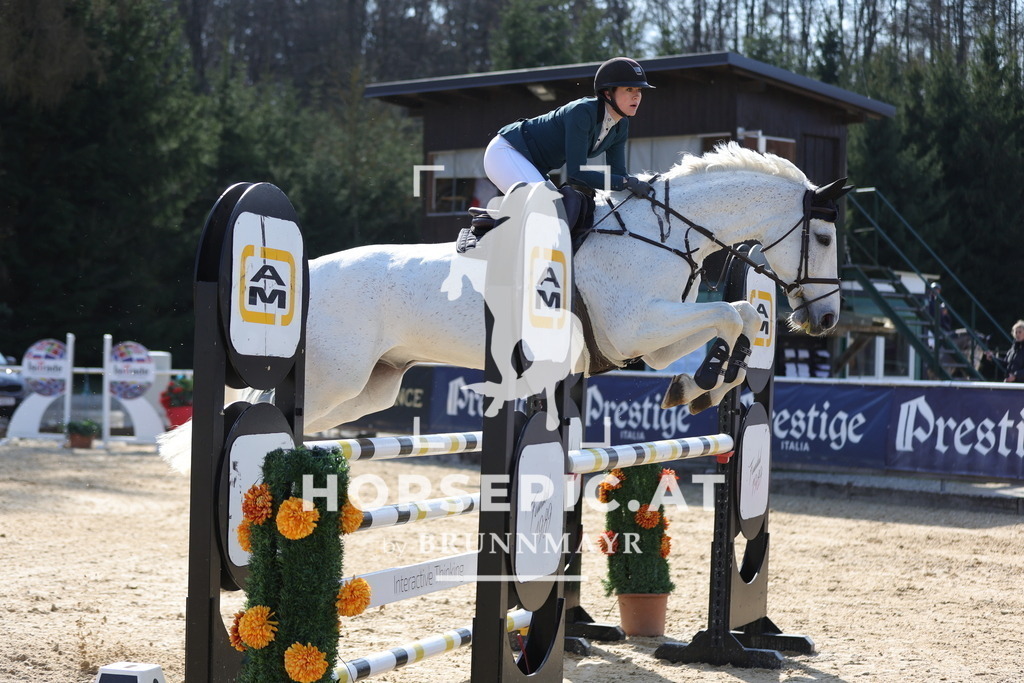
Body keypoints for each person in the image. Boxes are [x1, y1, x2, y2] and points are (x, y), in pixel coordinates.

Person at [483, 57, 656, 201]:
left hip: (533, 165)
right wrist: (626, 182)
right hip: (507, 152)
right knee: (547, 207)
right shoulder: (582, 112)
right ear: (607, 93)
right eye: (629, 89)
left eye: (639, 90)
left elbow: (618, 175)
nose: (637, 95)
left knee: (563, 213)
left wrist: (639, 184)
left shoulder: (621, 125)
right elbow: (576, 173)